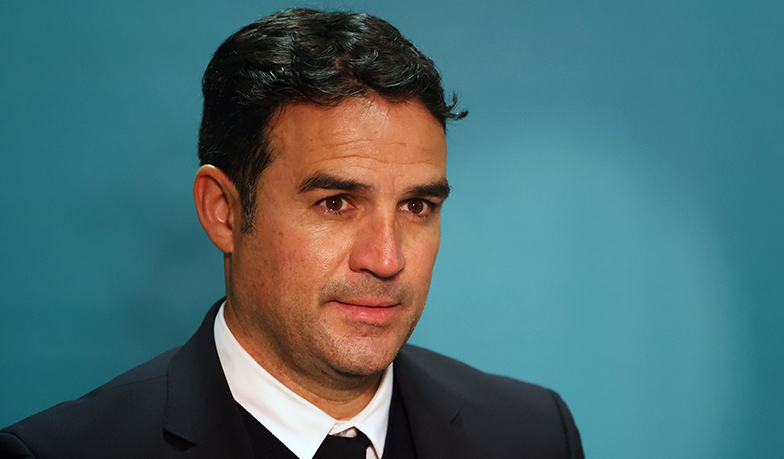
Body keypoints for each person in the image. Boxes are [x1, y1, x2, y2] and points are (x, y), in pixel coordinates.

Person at [0, 8, 584, 459]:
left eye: (416, 206)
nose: (386, 259)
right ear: (223, 211)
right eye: (336, 203)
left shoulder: (532, 434)